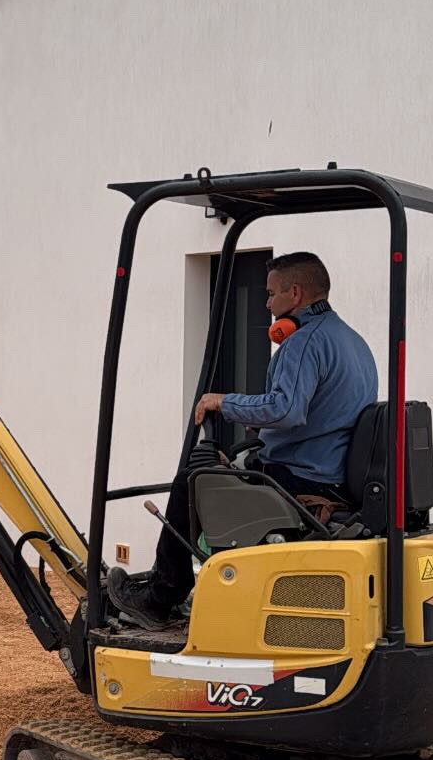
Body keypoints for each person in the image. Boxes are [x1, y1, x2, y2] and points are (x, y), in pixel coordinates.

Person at [106, 251, 379, 628]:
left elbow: (287, 409)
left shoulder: (303, 343)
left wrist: (224, 402)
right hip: (330, 473)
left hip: (301, 478)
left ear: (295, 293)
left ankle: (160, 596)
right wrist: (256, 428)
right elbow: (318, 412)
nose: (266, 303)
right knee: (225, 464)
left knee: (193, 480)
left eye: (270, 294)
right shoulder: (352, 341)